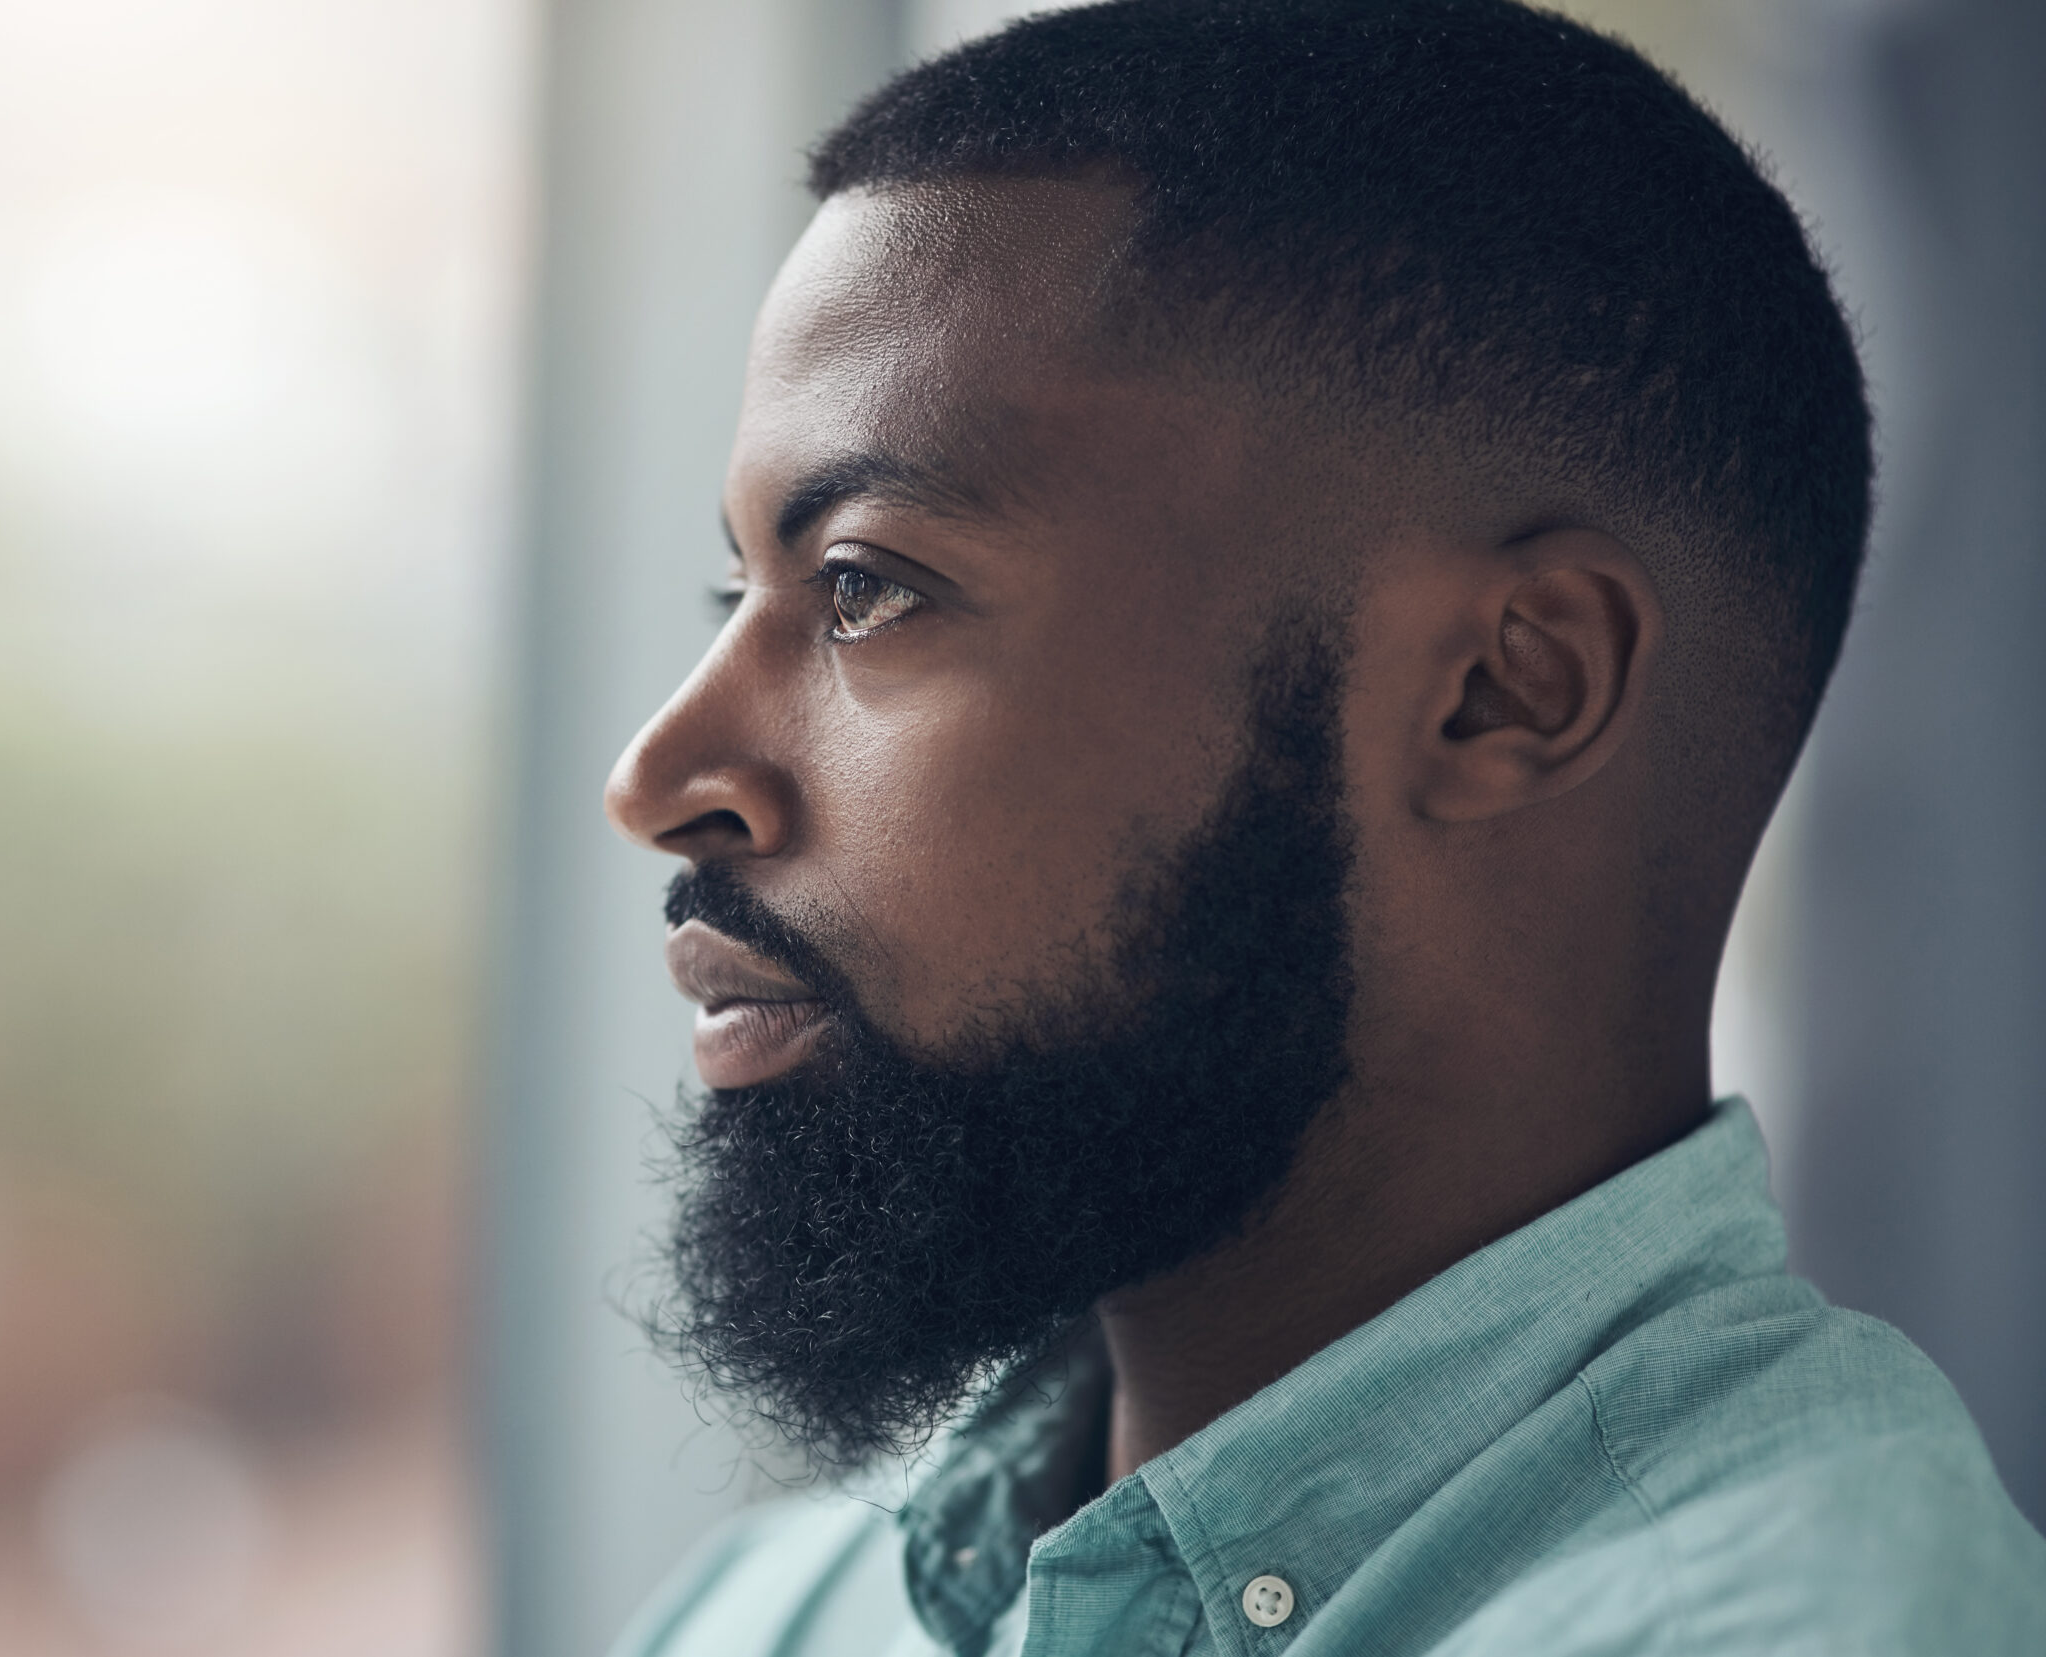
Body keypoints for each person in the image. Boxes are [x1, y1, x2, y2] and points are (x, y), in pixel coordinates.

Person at [596, 1, 2046, 1652]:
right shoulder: (765, 1617)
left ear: (1505, 693)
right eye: (737, 588)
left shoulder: (1820, 1626)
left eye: (865, 587)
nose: (659, 776)